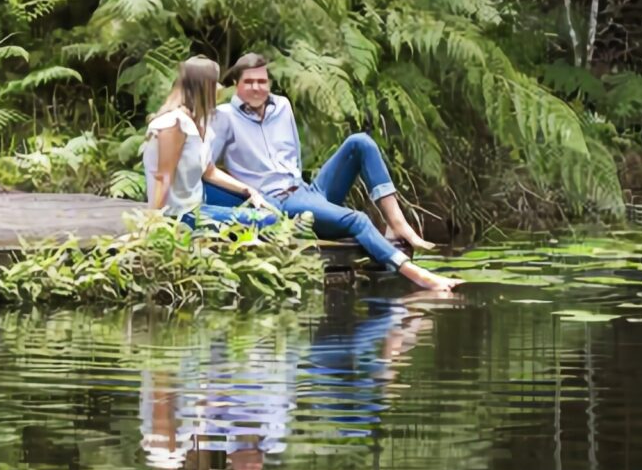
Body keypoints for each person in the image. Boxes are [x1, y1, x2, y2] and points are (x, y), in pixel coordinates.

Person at [203, 52, 456, 292]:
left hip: (305, 191)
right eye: (249, 82)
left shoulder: (282, 106)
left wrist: (307, 193)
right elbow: (206, 169)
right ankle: (416, 273)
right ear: (236, 84)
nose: (257, 87)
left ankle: (397, 224)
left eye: (262, 81)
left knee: (360, 142)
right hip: (278, 202)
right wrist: (248, 191)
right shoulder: (224, 117)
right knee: (357, 219)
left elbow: (294, 158)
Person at [141, 55, 274, 226]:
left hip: (199, 200)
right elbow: (163, 177)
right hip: (181, 215)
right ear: (204, 87)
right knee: (268, 220)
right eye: (215, 83)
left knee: (265, 205)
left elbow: (208, 171)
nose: (219, 88)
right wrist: (152, 225)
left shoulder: (201, 122)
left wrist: (248, 190)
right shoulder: (174, 124)